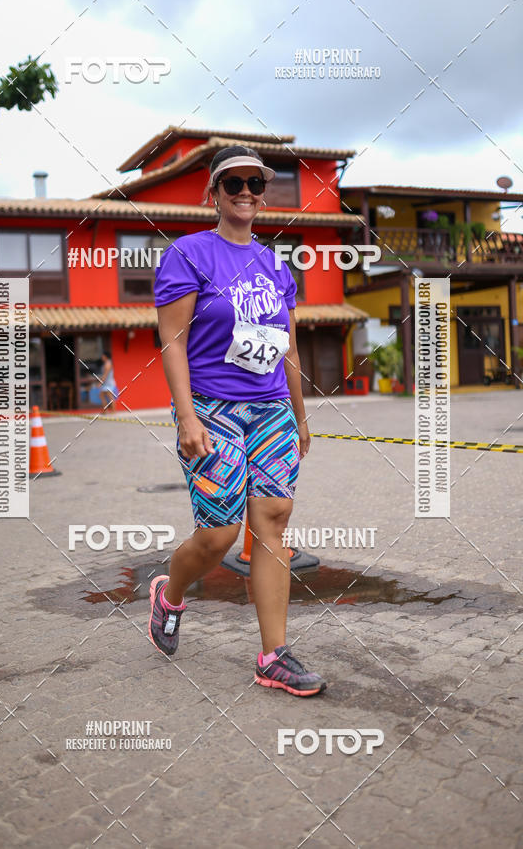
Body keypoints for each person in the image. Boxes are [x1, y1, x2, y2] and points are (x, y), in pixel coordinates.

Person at [149, 145, 326, 697]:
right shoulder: (189, 254)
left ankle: (273, 656)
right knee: (220, 535)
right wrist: (185, 417)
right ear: (214, 193)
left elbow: (288, 348)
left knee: (273, 520)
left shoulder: (276, 264)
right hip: (212, 408)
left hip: (271, 406)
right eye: (234, 183)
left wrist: (299, 416)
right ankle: (169, 593)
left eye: (256, 183)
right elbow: (172, 343)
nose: (246, 192)